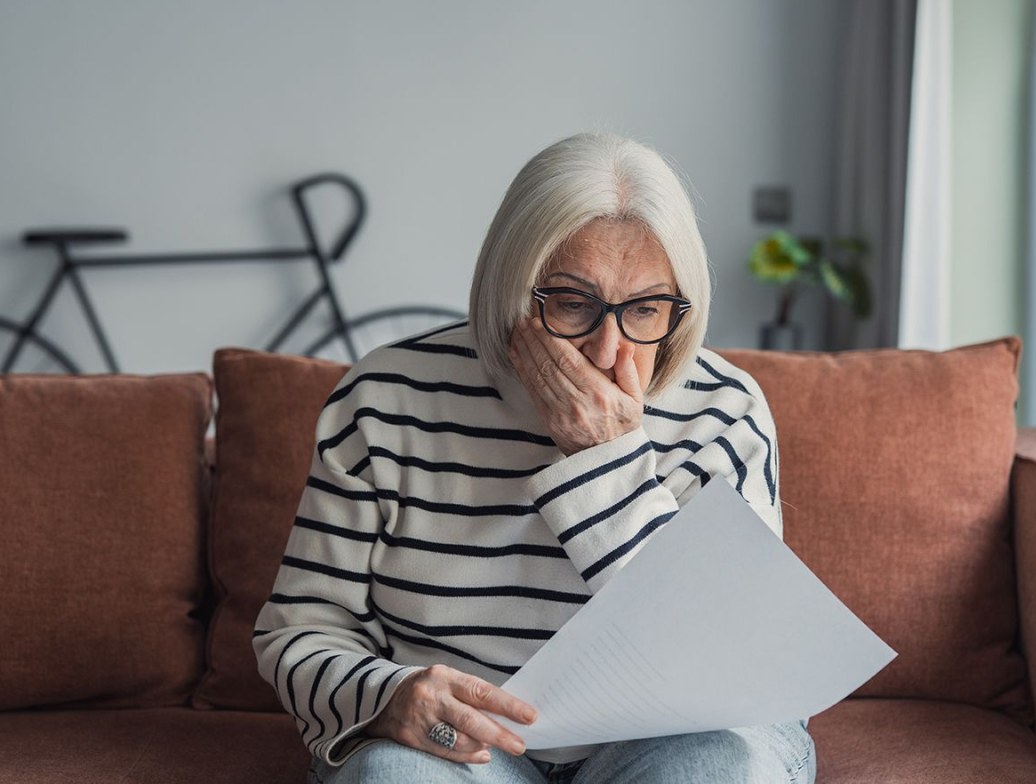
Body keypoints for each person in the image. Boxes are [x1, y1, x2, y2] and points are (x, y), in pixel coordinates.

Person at [254, 133, 816, 783]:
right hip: (470, 748)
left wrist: (605, 458)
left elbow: (730, 653)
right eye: (573, 303)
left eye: (645, 308)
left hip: (676, 733)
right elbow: (302, 627)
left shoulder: (723, 407)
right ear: (512, 288)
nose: (609, 349)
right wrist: (390, 697)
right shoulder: (386, 399)